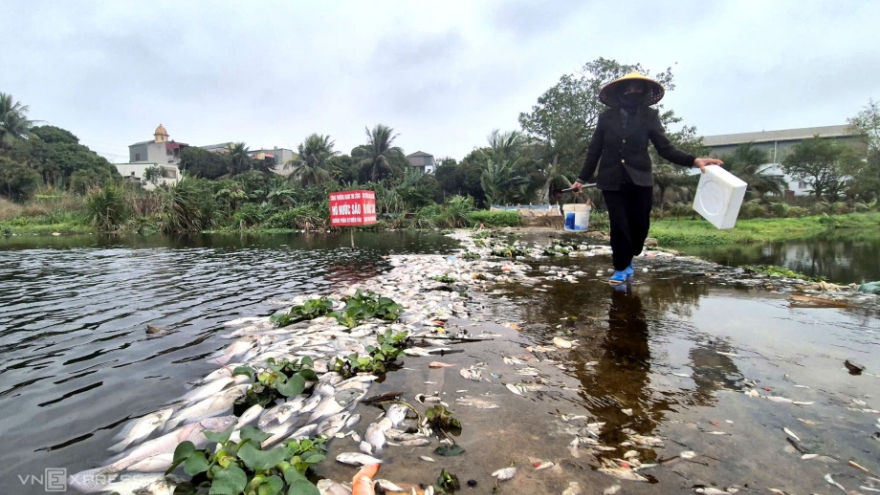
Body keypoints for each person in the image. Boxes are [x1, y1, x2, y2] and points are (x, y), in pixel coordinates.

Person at [570, 72, 723, 284]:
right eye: (630, 88)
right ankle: (621, 267)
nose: (634, 92)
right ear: (621, 92)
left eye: (638, 89)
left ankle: (630, 255)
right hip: (612, 181)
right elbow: (594, 150)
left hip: (640, 180)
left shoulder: (649, 117)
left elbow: (665, 148)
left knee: (640, 227)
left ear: (643, 93)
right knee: (619, 226)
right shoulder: (606, 118)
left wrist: (694, 160)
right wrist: (581, 179)